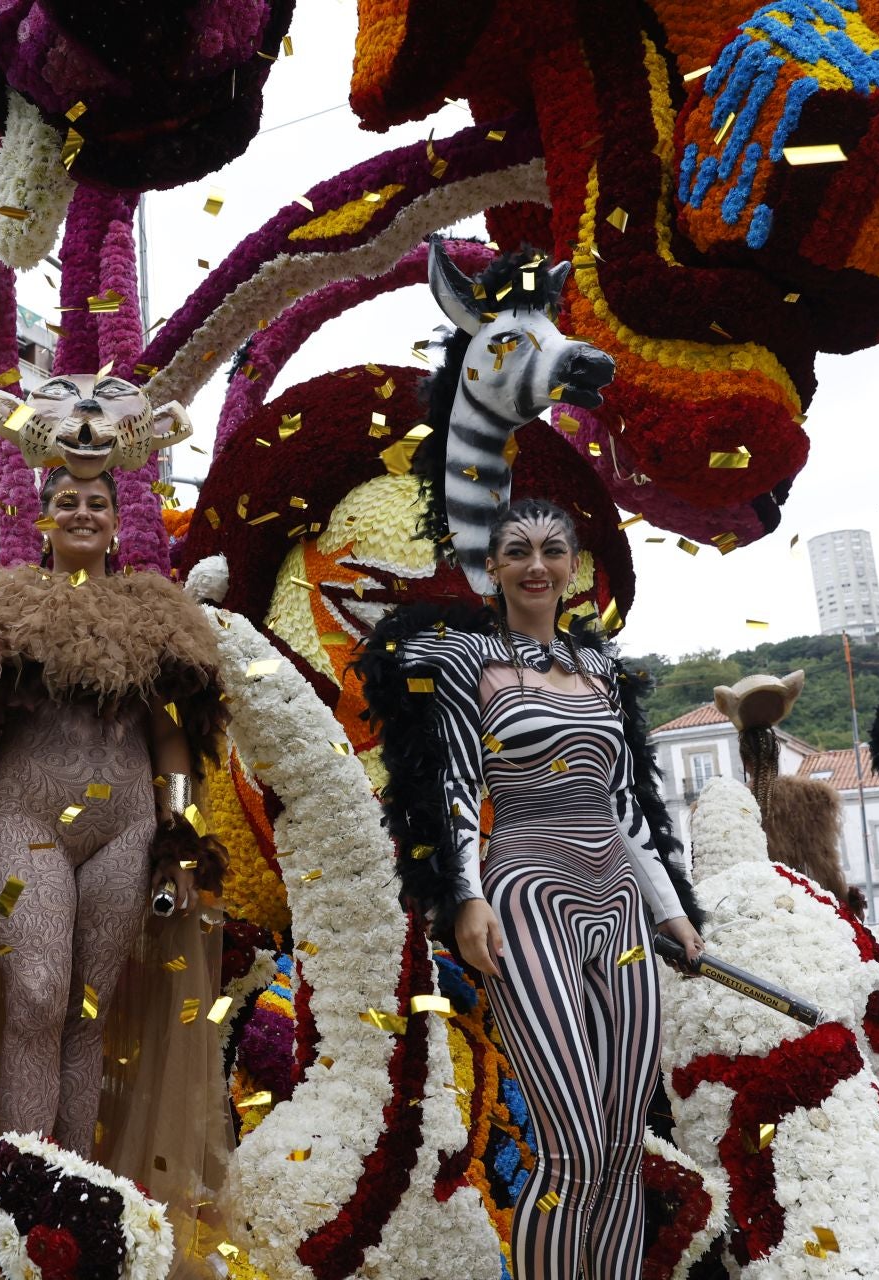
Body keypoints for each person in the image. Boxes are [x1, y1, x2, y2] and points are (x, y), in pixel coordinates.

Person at [358, 496, 703, 1278]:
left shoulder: (605, 671)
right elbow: (454, 789)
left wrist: (672, 912)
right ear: (493, 569)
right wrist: (465, 896)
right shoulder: (466, 664)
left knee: (620, 1150)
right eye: (518, 551)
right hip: (526, 894)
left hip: (618, 900)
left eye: (553, 551)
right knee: (573, 1147)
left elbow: (627, 806)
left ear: (575, 569)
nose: (537, 565)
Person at [0, 455, 226, 1155]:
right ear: (42, 517)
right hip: (27, 821)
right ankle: (20, 1180)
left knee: (84, 1012)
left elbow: (172, 737)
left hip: (126, 831)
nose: (81, 512)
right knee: (37, 995)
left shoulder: (151, 615)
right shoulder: (7, 607)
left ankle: (69, 1192)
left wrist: (180, 843)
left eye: (97, 503)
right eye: (65, 500)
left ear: (116, 523)